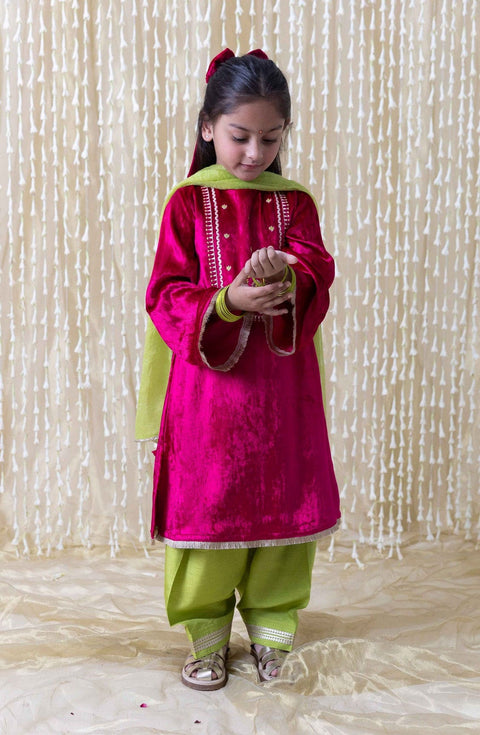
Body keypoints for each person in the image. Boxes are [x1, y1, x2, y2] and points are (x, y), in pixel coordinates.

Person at [136, 48, 341, 690]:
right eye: (239, 136)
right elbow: (166, 294)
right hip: (209, 395)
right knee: (209, 505)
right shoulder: (187, 203)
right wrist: (228, 301)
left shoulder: (296, 202)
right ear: (207, 127)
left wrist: (291, 275)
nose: (255, 153)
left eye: (270, 138)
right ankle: (206, 637)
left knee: (284, 503)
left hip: (283, 389)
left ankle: (273, 631)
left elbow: (317, 269)